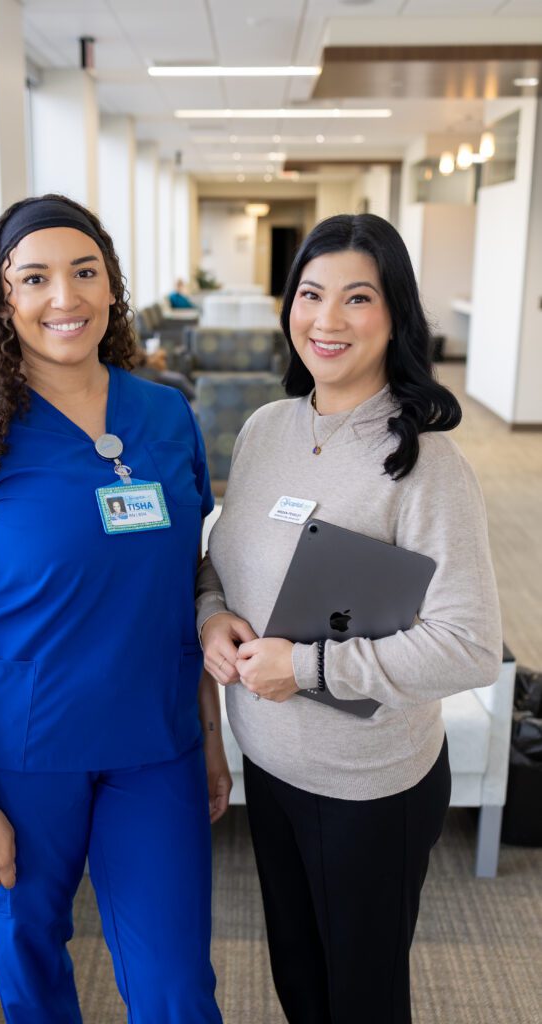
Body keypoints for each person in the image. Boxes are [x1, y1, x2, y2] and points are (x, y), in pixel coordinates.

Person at [0, 194, 229, 1024]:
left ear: (112, 287)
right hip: (18, 759)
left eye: (83, 273)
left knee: (178, 987)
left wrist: (213, 736)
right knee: (32, 972)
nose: (63, 298)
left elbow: (185, 582)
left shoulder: (165, 415)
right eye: (33, 279)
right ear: (1, 301)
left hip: (155, 747)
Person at [197, 213, 502, 1024]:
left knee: (360, 999)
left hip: (368, 785)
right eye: (310, 293)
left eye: (356, 298)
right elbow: (221, 560)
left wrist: (300, 669)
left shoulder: (426, 462)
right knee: (298, 979)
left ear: (395, 313)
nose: (326, 321)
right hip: (268, 760)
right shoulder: (266, 430)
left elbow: (468, 646)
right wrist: (210, 615)